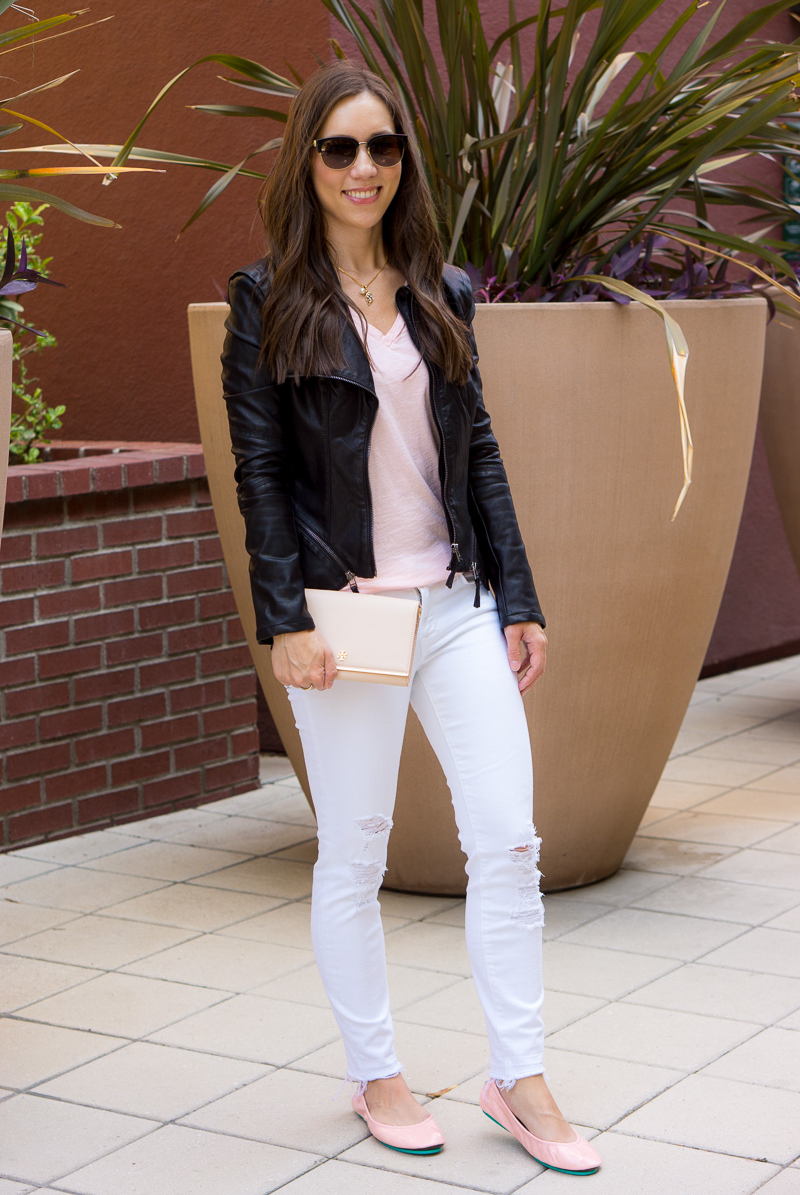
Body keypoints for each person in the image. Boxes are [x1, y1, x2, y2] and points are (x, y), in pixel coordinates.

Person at [221, 59, 601, 1177]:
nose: (363, 168)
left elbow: (474, 450)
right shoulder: (266, 302)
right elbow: (257, 473)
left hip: (453, 605)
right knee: (354, 853)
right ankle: (374, 1070)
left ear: (403, 163)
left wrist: (517, 596)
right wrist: (283, 619)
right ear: (307, 161)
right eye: (339, 148)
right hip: (345, 613)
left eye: (381, 147)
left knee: (508, 840)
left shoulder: (443, 289)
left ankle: (515, 1076)